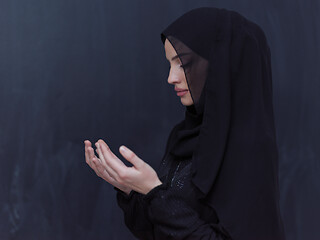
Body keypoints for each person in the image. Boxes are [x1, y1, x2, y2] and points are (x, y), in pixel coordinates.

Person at [84, 7, 286, 240]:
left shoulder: (250, 150)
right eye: (170, 64)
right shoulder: (183, 138)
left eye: (183, 63)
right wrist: (131, 189)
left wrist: (154, 192)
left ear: (219, 66)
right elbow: (157, 231)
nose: (171, 78)